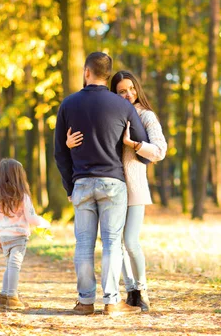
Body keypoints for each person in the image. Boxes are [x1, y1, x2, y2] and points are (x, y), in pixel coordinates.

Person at [54, 52, 150, 316]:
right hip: (112, 182)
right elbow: (141, 146)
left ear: (87, 72)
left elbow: (59, 152)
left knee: (83, 244)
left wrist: (69, 187)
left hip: (82, 183)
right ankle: (111, 301)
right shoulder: (122, 106)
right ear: (107, 76)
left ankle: (85, 302)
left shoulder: (68, 104)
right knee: (110, 242)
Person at [66, 70, 167, 312]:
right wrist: (69, 145)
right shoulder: (111, 111)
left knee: (130, 241)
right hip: (112, 186)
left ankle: (141, 290)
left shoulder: (146, 116)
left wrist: (134, 145)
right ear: (113, 93)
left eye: (131, 89)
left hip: (134, 188)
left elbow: (160, 151)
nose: (128, 94)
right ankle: (130, 290)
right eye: (121, 91)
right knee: (114, 243)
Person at [0, 158, 51, 310]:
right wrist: (44, 223)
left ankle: (3, 295)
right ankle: (12, 296)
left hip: (4, 237)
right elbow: (31, 218)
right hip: (18, 237)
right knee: (14, 265)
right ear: (19, 176)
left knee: (9, 265)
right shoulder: (23, 196)